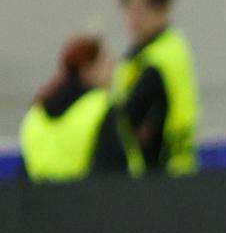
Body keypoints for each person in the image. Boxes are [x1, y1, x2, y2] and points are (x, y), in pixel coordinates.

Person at [18, 35, 141, 182]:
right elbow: (114, 168)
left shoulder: (35, 115)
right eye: (106, 62)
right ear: (87, 69)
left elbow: (24, 173)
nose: (113, 68)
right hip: (89, 200)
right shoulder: (101, 106)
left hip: (41, 202)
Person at [113, 0, 198, 175]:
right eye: (128, 6)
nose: (134, 15)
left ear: (162, 9)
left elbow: (126, 118)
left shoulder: (162, 58)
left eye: (143, 6)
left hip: (165, 170)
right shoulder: (135, 58)